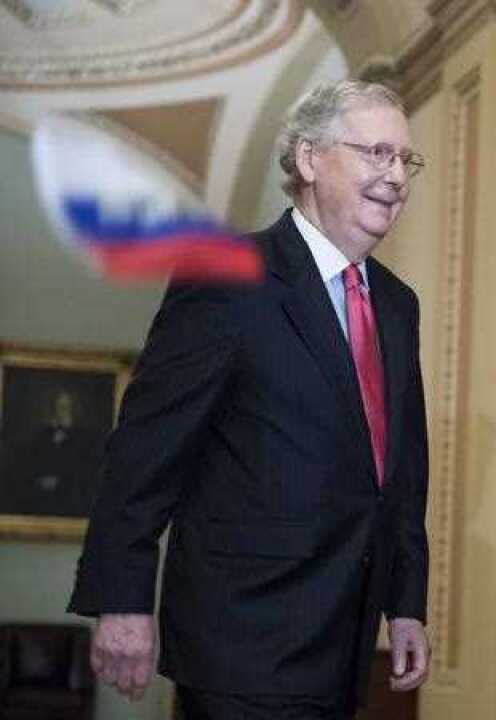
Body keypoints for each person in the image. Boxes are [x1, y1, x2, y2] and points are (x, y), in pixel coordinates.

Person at [67, 80, 431, 720]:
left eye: (406, 160)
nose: (396, 175)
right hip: (242, 636)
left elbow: (400, 471)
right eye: (376, 152)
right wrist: (122, 599)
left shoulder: (397, 306)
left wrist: (406, 603)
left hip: (344, 641)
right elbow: (146, 451)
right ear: (311, 158)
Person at [0, 387, 105, 517]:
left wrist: (60, 482)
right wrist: (41, 480)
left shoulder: (85, 438)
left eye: (66, 407)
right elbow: (30, 464)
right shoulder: (42, 436)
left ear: (74, 410)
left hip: (71, 499)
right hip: (41, 498)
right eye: (58, 407)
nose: (61, 412)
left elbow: (85, 472)